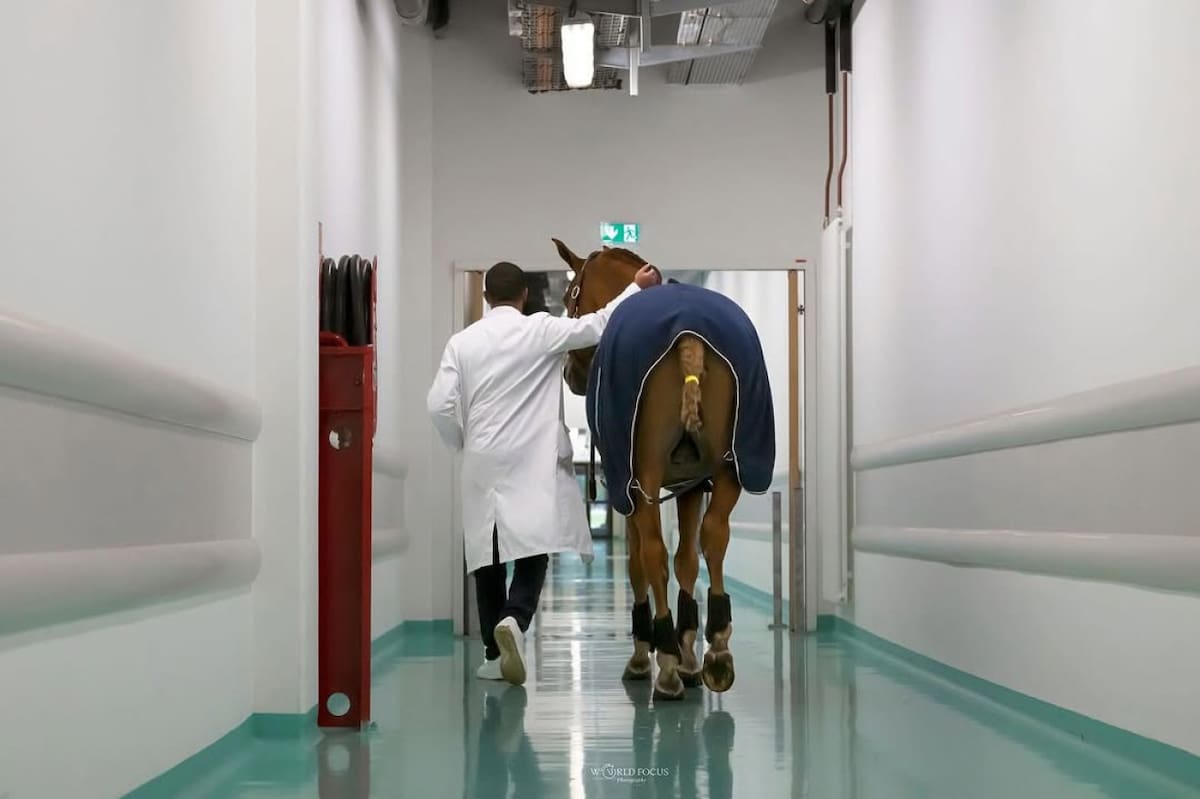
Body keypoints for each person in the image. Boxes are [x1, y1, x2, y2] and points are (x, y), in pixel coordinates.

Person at [427, 260, 660, 685]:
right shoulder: (540, 329)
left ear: (486, 297)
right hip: (530, 457)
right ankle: (515, 618)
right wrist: (634, 286)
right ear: (524, 297)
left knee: (487, 553)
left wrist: (460, 440)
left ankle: (494, 655)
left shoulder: (461, 343)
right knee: (534, 544)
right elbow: (597, 325)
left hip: (481, 457)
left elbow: (438, 404)